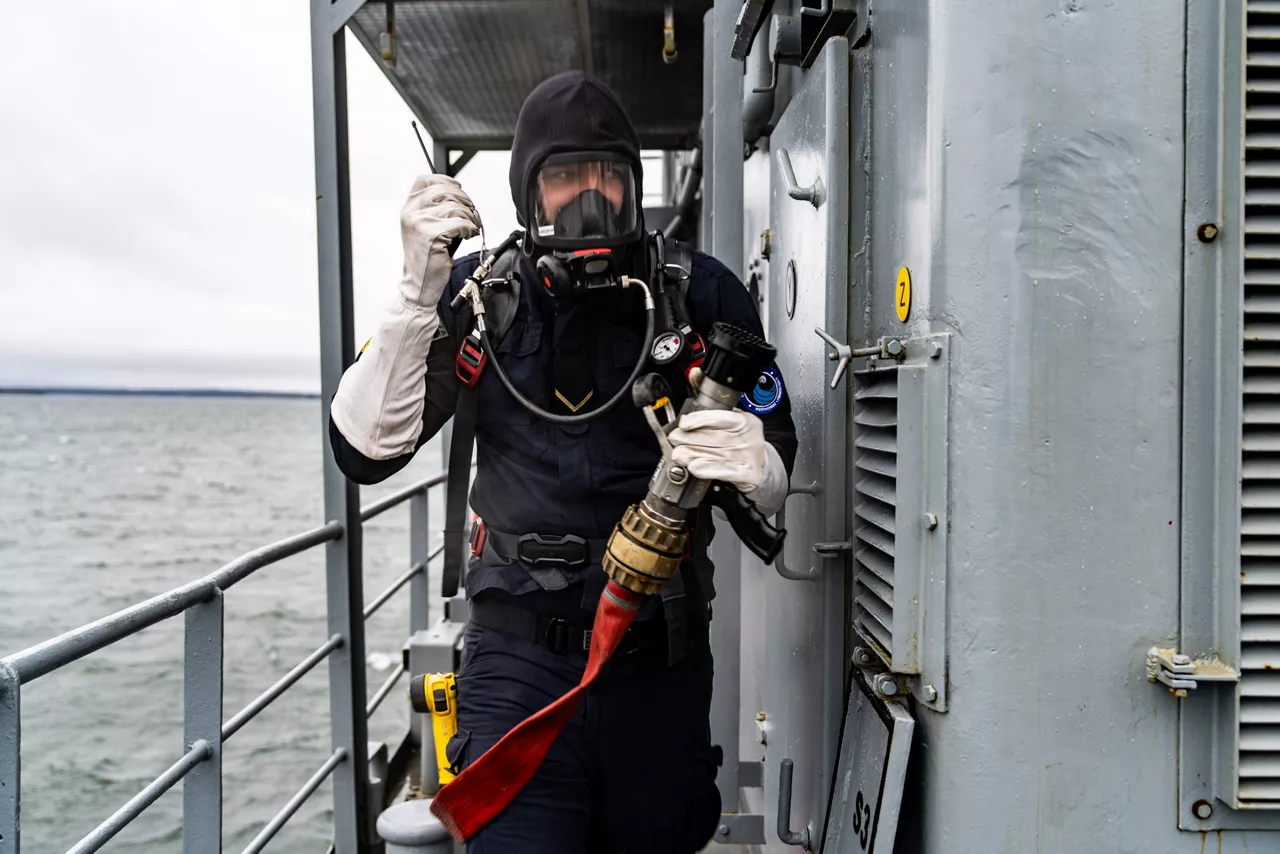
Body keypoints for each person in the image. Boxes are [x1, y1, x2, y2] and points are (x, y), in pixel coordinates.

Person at [329, 71, 797, 853]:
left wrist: (760, 466)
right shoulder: (483, 299)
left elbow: (776, 453)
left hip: (658, 654)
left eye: (606, 176)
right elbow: (364, 452)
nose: (588, 196)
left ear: (632, 184)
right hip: (518, 662)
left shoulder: (696, 295)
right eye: (564, 177)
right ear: (528, 192)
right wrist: (414, 297)